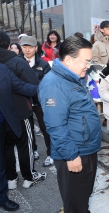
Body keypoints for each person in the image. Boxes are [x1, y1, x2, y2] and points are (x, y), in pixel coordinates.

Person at [38, 36, 102, 213]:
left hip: (86, 148)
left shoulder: (74, 76)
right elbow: (55, 126)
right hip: (74, 153)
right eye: (86, 61)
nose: (88, 66)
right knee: (74, 203)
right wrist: (71, 156)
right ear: (68, 60)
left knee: (82, 198)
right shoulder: (53, 84)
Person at [0, 30, 46, 190]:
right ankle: (29, 177)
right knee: (25, 144)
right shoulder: (17, 62)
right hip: (20, 110)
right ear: (8, 45)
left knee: (6, 146)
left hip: (2, 114)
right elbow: (32, 83)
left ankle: (11, 179)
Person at [0, 64, 37, 211]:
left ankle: (2, 197)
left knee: (1, 164)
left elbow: (20, 86)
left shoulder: (2, 69)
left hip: (2, 123)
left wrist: (45, 88)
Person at [19, 36, 52, 167]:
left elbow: (48, 85)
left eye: (30, 47)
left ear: (36, 48)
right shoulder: (17, 62)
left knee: (45, 128)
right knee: (28, 128)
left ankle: (51, 153)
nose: (27, 50)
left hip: (40, 102)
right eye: (24, 47)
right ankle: (34, 149)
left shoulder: (43, 65)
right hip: (22, 101)